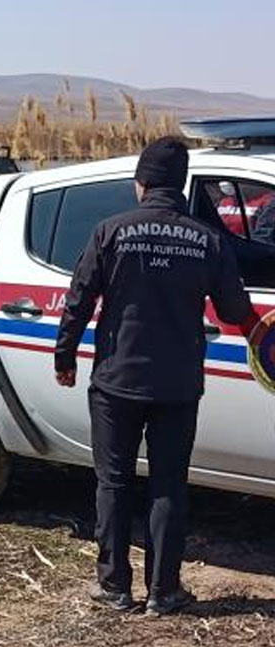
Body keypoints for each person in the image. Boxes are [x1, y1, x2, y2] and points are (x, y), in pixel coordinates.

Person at [55, 137, 258, 616]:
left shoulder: (110, 231)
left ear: (141, 184)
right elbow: (235, 310)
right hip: (178, 384)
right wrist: (262, 338)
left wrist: (64, 356)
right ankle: (164, 592)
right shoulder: (208, 239)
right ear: (181, 185)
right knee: (168, 484)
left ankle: (114, 587)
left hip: (116, 381)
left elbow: (79, 298)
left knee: (114, 482)